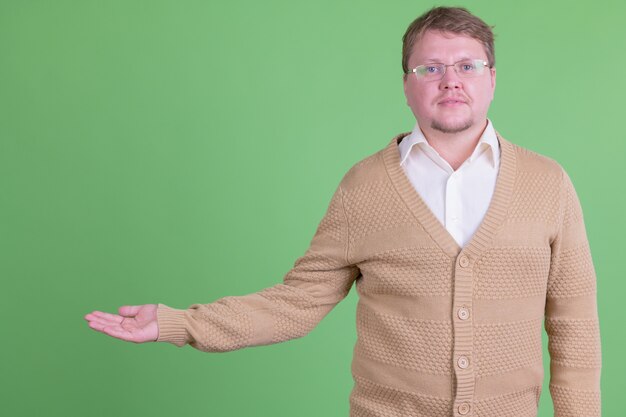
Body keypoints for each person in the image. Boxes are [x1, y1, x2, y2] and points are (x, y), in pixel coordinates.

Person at [85, 6, 601, 417]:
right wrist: (179, 324)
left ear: (491, 78)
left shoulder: (546, 183)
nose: (451, 80)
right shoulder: (365, 186)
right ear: (407, 84)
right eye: (431, 68)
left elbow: (575, 330)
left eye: (467, 65)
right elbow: (296, 304)